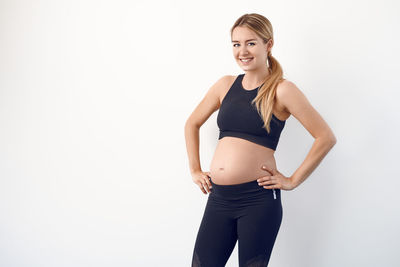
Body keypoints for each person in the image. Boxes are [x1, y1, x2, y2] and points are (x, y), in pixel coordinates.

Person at [184, 13, 336, 267]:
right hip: (218, 198)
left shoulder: (282, 90)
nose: (242, 51)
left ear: (269, 44)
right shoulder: (225, 85)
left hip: (258, 201)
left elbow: (325, 137)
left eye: (251, 43)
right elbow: (192, 123)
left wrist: (292, 180)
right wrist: (195, 169)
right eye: (236, 44)